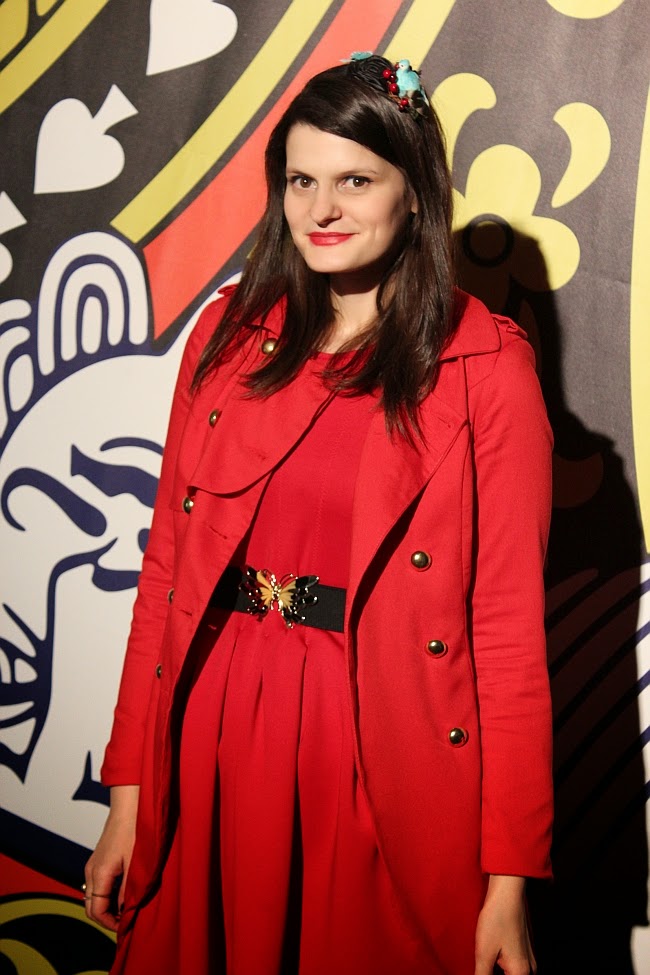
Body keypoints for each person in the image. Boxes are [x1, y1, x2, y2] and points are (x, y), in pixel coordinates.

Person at [84, 53, 553, 975]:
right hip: (213, 724)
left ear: (415, 194)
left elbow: (506, 638)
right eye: (302, 181)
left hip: (376, 747)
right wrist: (130, 791)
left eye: (355, 181)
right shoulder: (225, 337)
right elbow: (166, 574)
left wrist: (509, 880)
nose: (322, 209)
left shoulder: (488, 371)